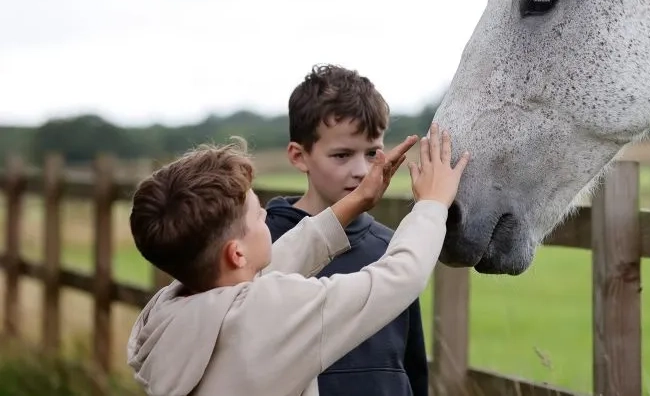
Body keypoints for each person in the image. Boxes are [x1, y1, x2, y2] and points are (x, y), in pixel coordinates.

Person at [125, 123, 469, 396]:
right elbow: (397, 279)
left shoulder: (169, 312)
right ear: (237, 253)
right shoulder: (269, 315)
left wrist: (356, 202)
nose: (267, 219)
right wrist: (432, 204)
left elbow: (272, 267)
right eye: (258, 216)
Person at [264, 63, 431, 396]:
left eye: (372, 153)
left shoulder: (391, 247)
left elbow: (412, 364)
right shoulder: (263, 246)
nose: (361, 170)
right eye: (341, 155)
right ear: (299, 156)